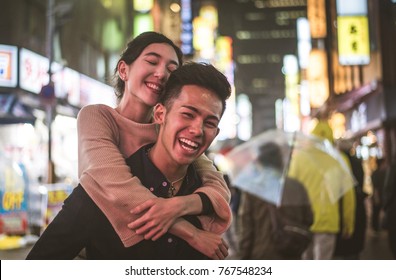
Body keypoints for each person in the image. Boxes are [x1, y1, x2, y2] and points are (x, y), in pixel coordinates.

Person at [26, 62, 231, 259]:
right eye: (187, 114)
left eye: (210, 123)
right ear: (160, 114)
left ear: (216, 133)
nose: (197, 130)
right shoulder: (100, 193)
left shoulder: (207, 197)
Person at [76, 32, 232, 249]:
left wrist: (179, 205)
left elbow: (216, 185)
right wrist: (190, 233)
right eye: (151, 61)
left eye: (171, 69)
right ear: (124, 70)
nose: (161, 73)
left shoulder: (170, 132)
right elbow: (119, 188)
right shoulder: (98, 117)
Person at [288, 120, 356, 260]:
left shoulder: (299, 158)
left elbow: (289, 191)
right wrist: (348, 224)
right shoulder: (339, 159)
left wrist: (289, 220)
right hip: (328, 221)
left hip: (303, 222)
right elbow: (348, 196)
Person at [237, 142, 313, 259]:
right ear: (279, 160)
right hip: (291, 252)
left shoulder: (252, 189)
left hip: (260, 255)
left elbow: (246, 230)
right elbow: (309, 218)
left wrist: (243, 258)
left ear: (260, 161)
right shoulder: (296, 187)